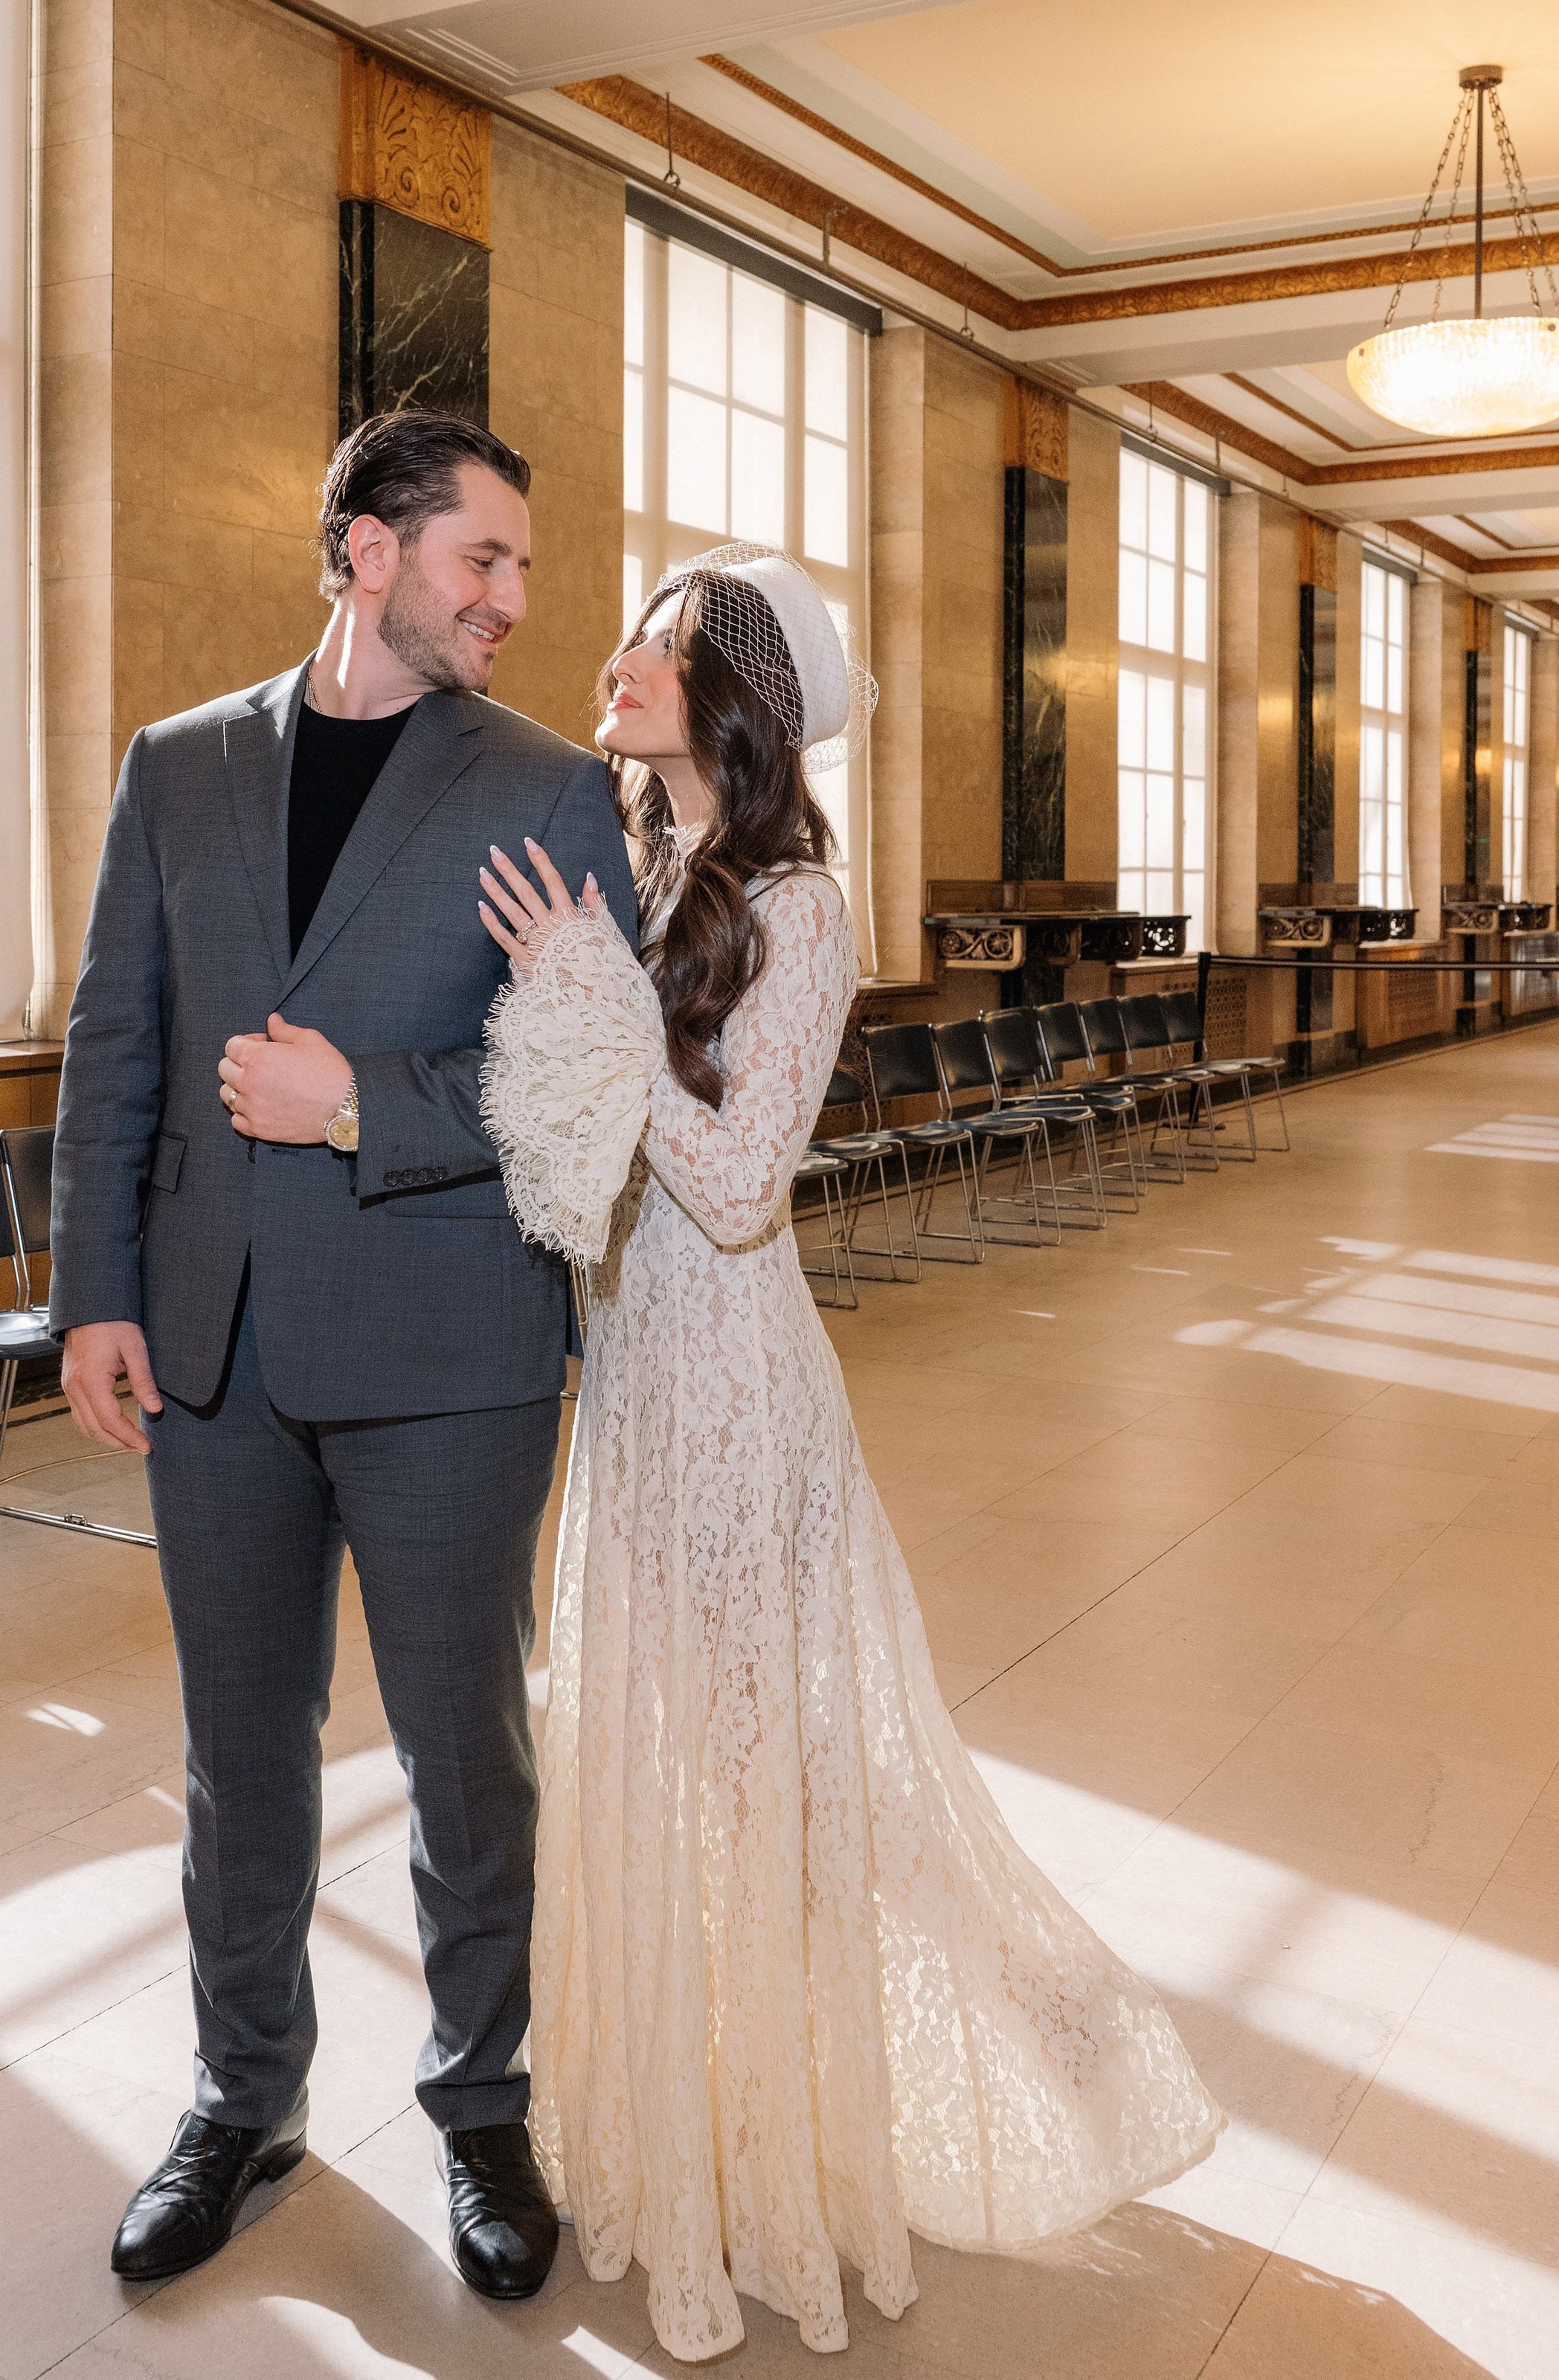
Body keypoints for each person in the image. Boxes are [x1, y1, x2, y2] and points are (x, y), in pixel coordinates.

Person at [477, 544, 1224, 2362]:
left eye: (650, 644)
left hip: (734, 1385)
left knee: (764, 1781)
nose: (612, 658)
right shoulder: (651, 876)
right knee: (661, 1754)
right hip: (636, 1376)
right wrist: (581, 999)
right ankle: (687, 2126)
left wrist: (589, 999)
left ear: (726, 694)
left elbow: (734, 1187)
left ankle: (817, 2139)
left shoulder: (797, 907)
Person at [48, 409, 637, 2300]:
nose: (514, 603)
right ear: (368, 552)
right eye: (485, 560)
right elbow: (114, 1047)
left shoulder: (547, 791)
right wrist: (98, 1291)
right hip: (209, 1349)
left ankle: (481, 2107)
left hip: (449, 1346)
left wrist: (353, 1104)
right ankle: (241, 2099)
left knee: (468, 1754)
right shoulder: (178, 765)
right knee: (239, 1754)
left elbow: (584, 1089)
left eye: (522, 570)